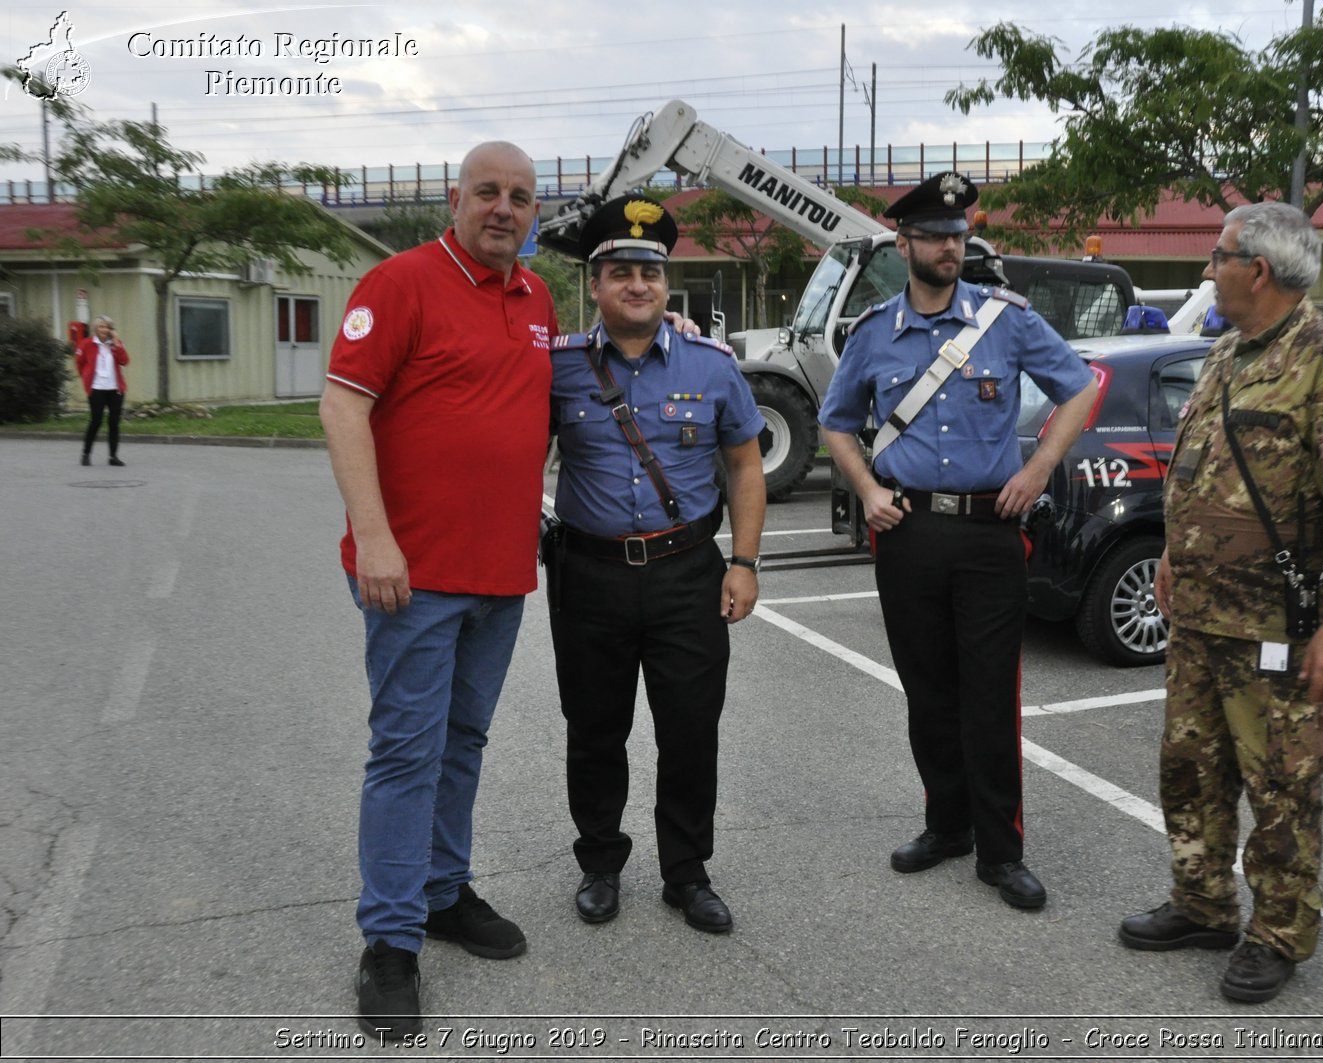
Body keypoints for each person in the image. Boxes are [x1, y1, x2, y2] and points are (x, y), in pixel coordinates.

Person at [1118, 202, 1323, 1003]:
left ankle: (1279, 930)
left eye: (1217, 255)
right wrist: (1172, 553)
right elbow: (1197, 468)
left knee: (1279, 785)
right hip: (1201, 613)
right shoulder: (1227, 353)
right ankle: (1202, 902)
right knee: (1189, 770)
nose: (1208, 269)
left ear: (1257, 270)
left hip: (1278, 623)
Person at [320, 141, 555, 1037]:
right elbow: (343, 405)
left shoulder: (535, 297)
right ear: (454, 199)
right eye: (488, 192)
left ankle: (443, 890)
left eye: (521, 197)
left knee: (463, 741)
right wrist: (375, 538)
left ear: (536, 213)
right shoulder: (403, 283)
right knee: (408, 751)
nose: (504, 207)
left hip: (500, 572)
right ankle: (389, 939)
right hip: (410, 576)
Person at [818, 171, 1099, 911]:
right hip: (909, 532)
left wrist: (1039, 466)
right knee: (928, 692)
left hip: (988, 535)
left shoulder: (1004, 319)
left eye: (959, 233)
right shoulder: (875, 331)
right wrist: (869, 491)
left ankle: (1002, 851)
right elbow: (835, 422)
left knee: (989, 697)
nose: (952, 244)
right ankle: (946, 825)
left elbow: (1080, 386)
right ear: (903, 243)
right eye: (937, 235)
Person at [545, 195, 766, 934]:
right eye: (620, 272)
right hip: (590, 574)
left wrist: (743, 561)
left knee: (690, 727)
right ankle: (600, 864)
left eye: (649, 271)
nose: (637, 284)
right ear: (597, 284)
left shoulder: (711, 367)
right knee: (595, 727)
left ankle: (686, 871)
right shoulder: (559, 369)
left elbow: (744, 466)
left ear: (666, 285)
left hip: (686, 574)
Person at [75, 316, 129, 466]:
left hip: (115, 389)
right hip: (97, 389)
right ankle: (86, 453)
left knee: (114, 423)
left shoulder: (115, 345)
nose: (104, 330)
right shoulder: (86, 344)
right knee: (96, 421)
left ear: (111, 330)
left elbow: (125, 361)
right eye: (101, 327)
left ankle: (113, 456)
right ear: (96, 329)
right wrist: (86, 378)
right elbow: (79, 363)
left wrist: (117, 342)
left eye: (107, 327)